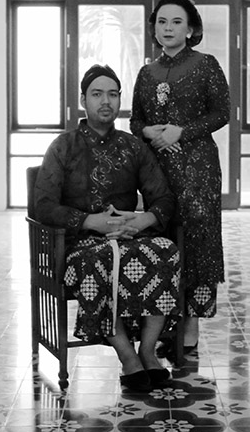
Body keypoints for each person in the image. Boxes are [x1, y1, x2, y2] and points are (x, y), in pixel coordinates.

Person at [34, 64, 181, 392]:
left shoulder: (133, 146)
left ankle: (147, 350)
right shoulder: (63, 146)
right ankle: (127, 356)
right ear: (83, 100)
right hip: (80, 242)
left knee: (165, 251)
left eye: (112, 95)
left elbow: (163, 197)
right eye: (97, 94)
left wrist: (143, 220)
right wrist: (90, 221)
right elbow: (43, 205)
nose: (105, 101)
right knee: (99, 261)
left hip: (130, 235)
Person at [131, 0, 230, 360]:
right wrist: (149, 132)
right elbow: (135, 119)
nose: (168, 28)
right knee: (161, 242)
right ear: (154, 28)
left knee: (197, 243)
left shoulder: (206, 65)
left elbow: (222, 113)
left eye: (176, 22)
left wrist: (181, 132)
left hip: (198, 170)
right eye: (162, 22)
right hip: (157, 170)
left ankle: (190, 324)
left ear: (190, 29)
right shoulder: (146, 73)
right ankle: (161, 322)